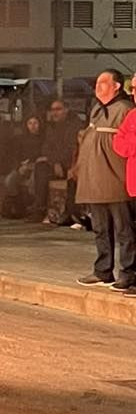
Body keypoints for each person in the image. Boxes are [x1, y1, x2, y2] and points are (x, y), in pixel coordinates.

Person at [75, 69, 135, 290]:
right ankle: (103, 270)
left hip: (117, 181)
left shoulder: (126, 110)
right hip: (95, 180)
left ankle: (128, 273)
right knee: (100, 228)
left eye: (103, 82)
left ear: (117, 86)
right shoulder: (96, 110)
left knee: (124, 230)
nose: (97, 87)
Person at [37, 98, 82, 225]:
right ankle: (41, 209)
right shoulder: (51, 127)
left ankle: (71, 214)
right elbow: (46, 148)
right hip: (55, 163)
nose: (54, 113)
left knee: (72, 180)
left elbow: (72, 147)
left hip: (71, 163)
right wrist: (55, 162)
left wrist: (63, 164)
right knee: (41, 168)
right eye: (52, 110)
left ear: (66, 110)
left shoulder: (75, 125)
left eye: (58, 109)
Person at [2, 114, 45, 217]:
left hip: (37, 166)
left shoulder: (44, 138)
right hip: (22, 166)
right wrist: (19, 166)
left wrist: (32, 163)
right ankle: (16, 207)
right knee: (9, 180)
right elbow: (15, 155)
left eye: (35, 123)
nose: (32, 126)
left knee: (32, 182)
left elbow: (44, 154)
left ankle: (34, 207)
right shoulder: (20, 139)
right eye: (30, 123)